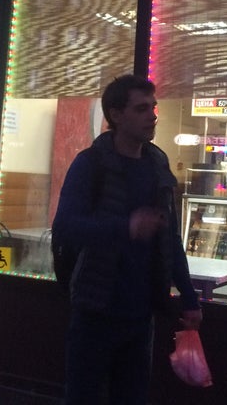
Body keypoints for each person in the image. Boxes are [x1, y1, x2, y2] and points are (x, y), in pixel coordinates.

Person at [52, 74, 202, 405]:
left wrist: (189, 297)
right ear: (116, 115)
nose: (152, 116)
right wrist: (126, 227)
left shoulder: (157, 164)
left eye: (153, 107)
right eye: (141, 108)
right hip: (95, 310)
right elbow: (65, 226)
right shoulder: (90, 164)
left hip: (142, 314)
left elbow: (169, 238)